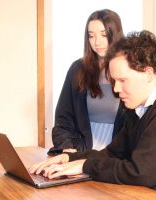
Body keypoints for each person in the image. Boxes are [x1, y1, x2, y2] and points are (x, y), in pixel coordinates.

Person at [30, 30, 156, 200]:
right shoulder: (138, 110)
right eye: (114, 81)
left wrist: (85, 166)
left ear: (148, 73)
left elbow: (142, 172)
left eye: (122, 80)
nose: (116, 89)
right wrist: (70, 158)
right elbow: (113, 153)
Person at [48, 9, 126, 155]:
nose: (97, 42)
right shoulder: (78, 69)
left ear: (115, 34)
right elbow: (63, 119)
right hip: (82, 150)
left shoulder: (130, 69)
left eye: (103, 35)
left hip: (117, 154)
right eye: (91, 36)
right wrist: (66, 148)